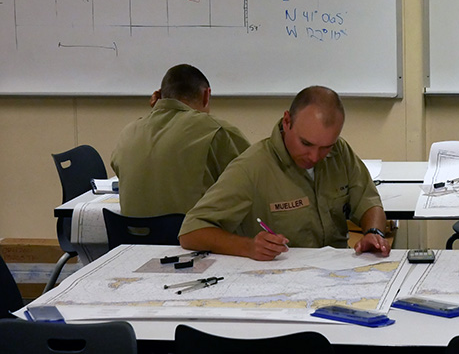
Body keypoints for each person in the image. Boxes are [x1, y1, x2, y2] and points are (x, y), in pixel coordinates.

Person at [179, 85, 390, 261]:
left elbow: (368, 201)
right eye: (306, 143)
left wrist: (374, 233)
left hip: (335, 273)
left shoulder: (339, 152)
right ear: (287, 121)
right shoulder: (252, 167)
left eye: (326, 147)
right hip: (279, 280)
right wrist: (248, 247)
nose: (315, 156)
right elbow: (191, 231)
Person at [111, 64, 250, 217]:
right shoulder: (216, 131)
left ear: (159, 95)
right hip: (191, 238)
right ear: (206, 95)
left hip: (132, 238)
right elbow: (255, 179)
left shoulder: (129, 132)